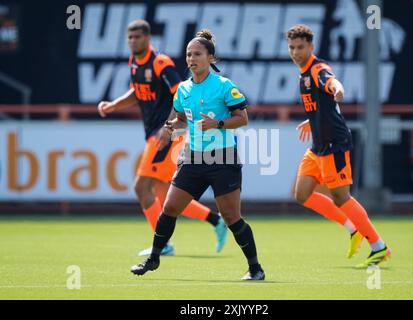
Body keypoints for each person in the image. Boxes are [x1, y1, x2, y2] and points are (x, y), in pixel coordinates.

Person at [131, 29, 265, 280]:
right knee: (170, 207)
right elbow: (182, 120)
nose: (192, 59)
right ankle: (154, 258)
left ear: (210, 58)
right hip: (192, 157)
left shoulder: (224, 86)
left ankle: (255, 267)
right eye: (188, 54)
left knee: (232, 217)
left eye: (198, 54)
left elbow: (242, 118)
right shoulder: (182, 89)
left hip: (222, 159)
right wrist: (171, 128)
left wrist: (218, 124)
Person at [97, 20, 227, 257]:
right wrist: (114, 105)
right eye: (130, 37)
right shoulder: (134, 62)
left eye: (137, 37)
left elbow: (180, 93)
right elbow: (137, 91)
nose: (133, 41)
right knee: (164, 194)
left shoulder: (160, 63)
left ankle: (163, 244)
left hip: (168, 133)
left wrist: (168, 128)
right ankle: (215, 220)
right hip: (155, 133)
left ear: (147, 38)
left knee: (141, 186)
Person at [287, 24, 391, 268]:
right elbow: (324, 105)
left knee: (341, 197)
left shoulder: (317, 69)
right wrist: (311, 120)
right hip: (317, 145)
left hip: (334, 143)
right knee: (302, 194)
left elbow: (331, 82)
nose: (295, 52)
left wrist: (339, 89)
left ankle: (379, 246)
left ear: (311, 46)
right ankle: (353, 229)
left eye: (300, 47)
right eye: (292, 47)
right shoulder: (303, 74)